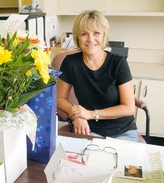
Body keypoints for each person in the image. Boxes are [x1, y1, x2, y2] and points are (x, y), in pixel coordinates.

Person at [57, 10, 139, 142]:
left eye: (96, 33)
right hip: (89, 129)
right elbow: (60, 98)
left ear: (104, 36)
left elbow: (129, 108)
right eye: (84, 33)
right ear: (77, 37)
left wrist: (90, 114)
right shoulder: (71, 62)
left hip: (122, 131)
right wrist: (77, 116)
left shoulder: (118, 63)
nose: (90, 39)